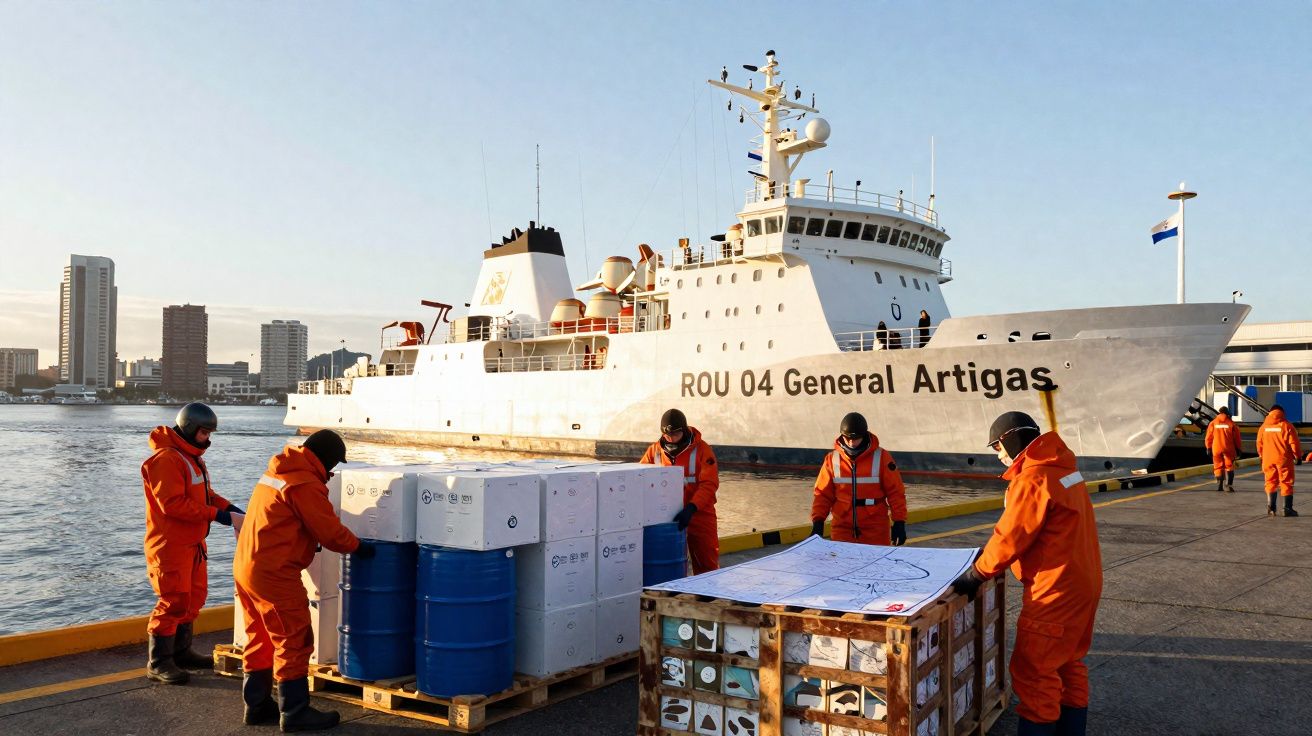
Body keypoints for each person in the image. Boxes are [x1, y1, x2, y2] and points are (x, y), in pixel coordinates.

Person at [952, 411, 1102, 736]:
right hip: (1082, 585)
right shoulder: (1065, 470)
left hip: (1054, 591)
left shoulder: (1034, 478)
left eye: (997, 446)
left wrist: (976, 574)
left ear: (1011, 439)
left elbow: (1011, 536)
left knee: (1035, 672)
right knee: (1068, 662)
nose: (997, 455)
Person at [233, 430, 365, 731]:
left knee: (260, 635)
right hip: (274, 573)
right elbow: (328, 531)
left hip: (246, 565)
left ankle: (256, 706)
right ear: (326, 459)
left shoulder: (278, 471)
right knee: (294, 638)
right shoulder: (304, 482)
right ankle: (294, 711)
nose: (331, 473)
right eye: (332, 465)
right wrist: (359, 546)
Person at [141, 402, 243, 685]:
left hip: (193, 544)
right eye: (204, 433)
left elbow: (205, 494)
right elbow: (172, 504)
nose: (208, 439)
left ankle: (181, 652)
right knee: (173, 600)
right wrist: (219, 515)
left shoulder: (189, 457)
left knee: (193, 598)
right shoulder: (166, 460)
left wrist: (233, 510)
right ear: (189, 429)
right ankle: (159, 661)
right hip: (170, 545)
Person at [639, 409, 720, 574]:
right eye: (667, 435)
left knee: (707, 562)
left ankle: (707, 595)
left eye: (675, 435)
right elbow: (639, 477)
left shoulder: (702, 450)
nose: (670, 439)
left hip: (699, 514)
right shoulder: (654, 451)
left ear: (683, 430)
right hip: (667, 517)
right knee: (666, 563)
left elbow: (709, 484)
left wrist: (691, 508)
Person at [809, 412, 907, 546]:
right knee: (842, 566)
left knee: (877, 566)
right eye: (847, 438)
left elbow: (895, 492)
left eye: (856, 439)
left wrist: (899, 522)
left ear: (864, 435)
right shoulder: (832, 460)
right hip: (842, 530)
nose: (851, 443)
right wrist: (818, 522)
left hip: (875, 530)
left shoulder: (882, 457)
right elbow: (822, 494)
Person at [1256, 404, 1301, 517]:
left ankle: (1271, 508)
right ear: (1282, 413)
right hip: (1283, 459)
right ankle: (1287, 508)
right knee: (1286, 482)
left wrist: (1261, 455)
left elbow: (1259, 444)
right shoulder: (1287, 426)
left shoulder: (1263, 427)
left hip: (1267, 459)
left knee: (1270, 482)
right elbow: (1294, 443)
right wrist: (1298, 456)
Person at [1204, 406, 1242, 492]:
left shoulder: (1213, 423)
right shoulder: (1231, 424)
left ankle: (1219, 485)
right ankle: (1228, 486)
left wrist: (1208, 448)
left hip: (1216, 448)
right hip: (1228, 448)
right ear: (1227, 413)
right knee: (1229, 466)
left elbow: (1208, 437)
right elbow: (1237, 438)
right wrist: (1239, 449)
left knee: (1218, 466)